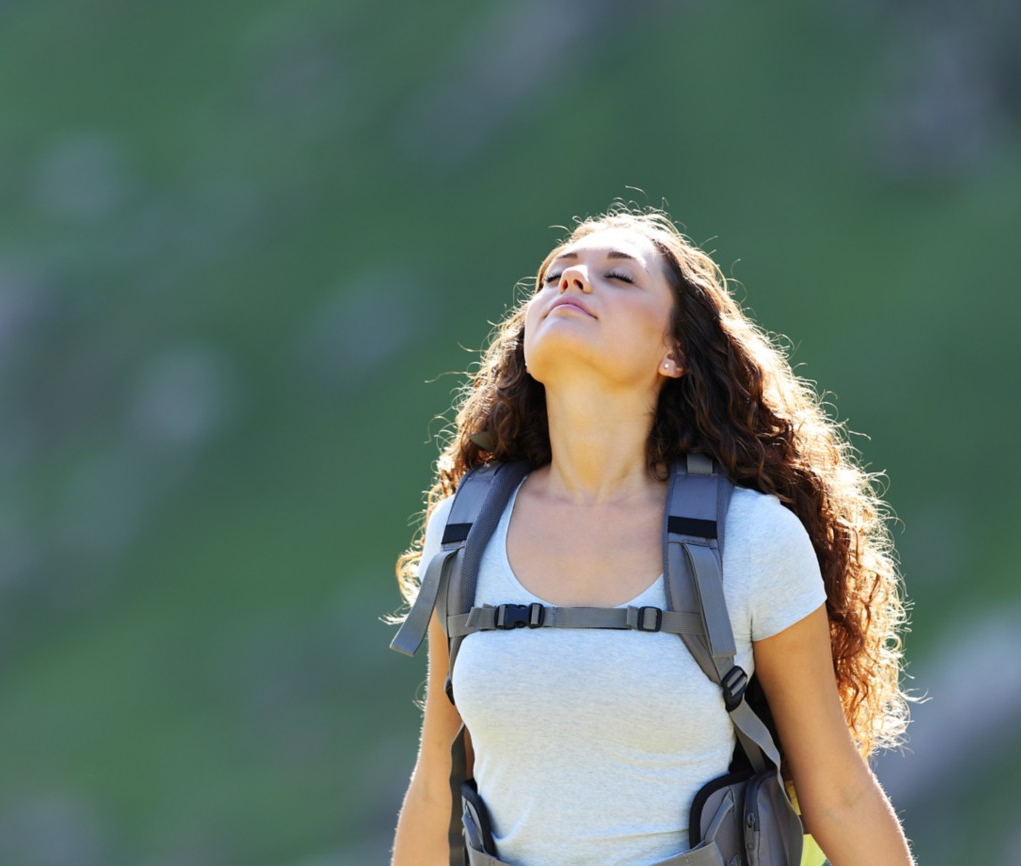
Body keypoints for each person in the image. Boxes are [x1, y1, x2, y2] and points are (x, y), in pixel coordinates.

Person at [389, 204, 915, 866]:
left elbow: (838, 795)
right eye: (554, 276)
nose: (571, 283)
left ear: (673, 352)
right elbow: (437, 792)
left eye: (618, 276)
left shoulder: (750, 540)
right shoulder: (463, 529)